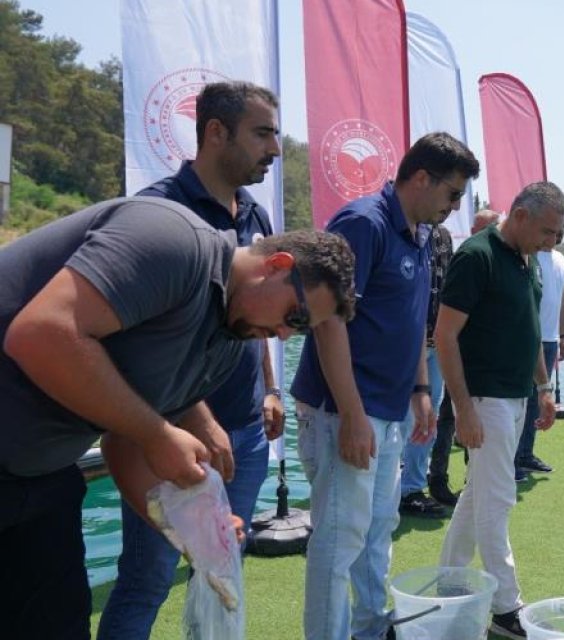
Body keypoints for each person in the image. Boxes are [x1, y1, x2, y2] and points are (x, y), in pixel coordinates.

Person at [0, 197, 356, 639]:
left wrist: (195, 533)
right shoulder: (172, 240)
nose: (286, 334)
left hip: (41, 478)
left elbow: (125, 440)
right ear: (277, 265)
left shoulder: (226, 345)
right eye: (295, 316)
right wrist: (157, 433)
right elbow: (40, 334)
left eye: (300, 330)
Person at [99, 80, 284, 639]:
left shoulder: (254, 216)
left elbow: (258, 320)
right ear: (214, 132)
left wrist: (270, 388)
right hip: (166, 429)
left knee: (222, 567)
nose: (275, 149)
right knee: (149, 578)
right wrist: (190, 415)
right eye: (263, 133)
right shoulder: (157, 213)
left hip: (246, 431)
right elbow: (136, 343)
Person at [289, 132, 479, 640]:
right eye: (453, 193)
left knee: (376, 531)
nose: (455, 205)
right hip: (344, 410)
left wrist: (420, 390)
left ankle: (372, 628)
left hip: (390, 409)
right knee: (338, 538)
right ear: (421, 178)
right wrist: (350, 414)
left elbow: (413, 320)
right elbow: (328, 322)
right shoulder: (363, 224)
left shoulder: (419, 233)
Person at [436, 183, 564, 639]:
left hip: (516, 397)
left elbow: (529, 330)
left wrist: (544, 387)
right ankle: (506, 609)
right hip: (484, 398)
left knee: (478, 495)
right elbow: (445, 336)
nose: (552, 242)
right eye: (548, 231)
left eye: (558, 234)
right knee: (497, 501)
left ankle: (449, 583)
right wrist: (462, 409)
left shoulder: (528, 259)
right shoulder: (477, 256)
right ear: (520, 215)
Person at [427, 208, 501, 505]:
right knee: (445, 417)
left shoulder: (501, 263)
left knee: (475, 420)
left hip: (481, 360)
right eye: (479, 228)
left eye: (489, 228)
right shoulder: (467, 259)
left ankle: (475, 482)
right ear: (472, 230)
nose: (483, 234)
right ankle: (437, 478)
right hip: (451, 354)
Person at [397, 218, 454, 518]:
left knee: (427, 421)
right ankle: (393, 487)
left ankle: (411, 489)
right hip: (406, 345)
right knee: (403, 420)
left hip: (437, 343)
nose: (452, 205)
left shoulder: (444, 237)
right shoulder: (400, 230)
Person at [515, 231, 564, 476]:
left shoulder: (560, 259)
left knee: (538, 401)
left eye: (563, 227)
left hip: (550, 340)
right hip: (529, 340)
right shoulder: (530, 255)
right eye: (554, 228)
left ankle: (526, 453)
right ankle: (513, 458)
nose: (559, 233)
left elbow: (561, 301)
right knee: (522, 400)